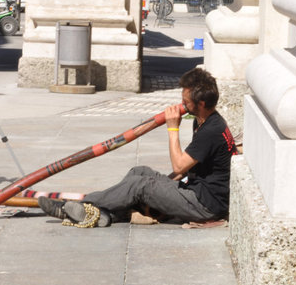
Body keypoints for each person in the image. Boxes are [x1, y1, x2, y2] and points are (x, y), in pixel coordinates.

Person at [39, 67, 238, 227]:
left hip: (205, 205)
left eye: (186, 102)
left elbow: (178, 167)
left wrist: (172, 129)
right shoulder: (204, 121)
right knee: (140, 172)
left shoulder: (212, 130)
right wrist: (161, 189)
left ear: (201, 103)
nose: (181, 104)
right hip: (195, 191)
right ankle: (107, 214)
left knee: (140, 186)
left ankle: (76, 208)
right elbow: (185, 169)